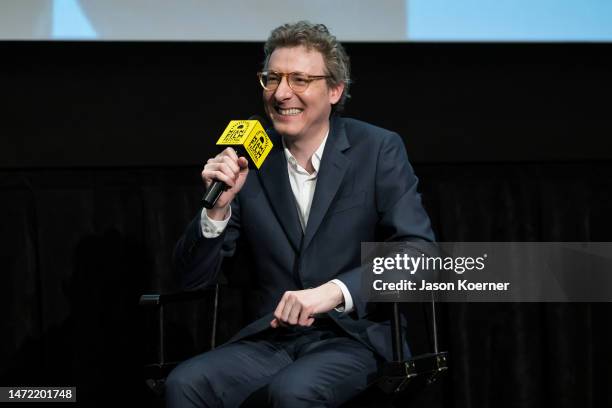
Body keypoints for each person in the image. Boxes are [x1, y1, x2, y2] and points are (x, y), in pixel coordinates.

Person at [166, 21, 435, 408]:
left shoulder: (376, 149)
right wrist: (217, 209)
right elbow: (190, 282)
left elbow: (419, 254)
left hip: (355, 337)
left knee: (293, 391)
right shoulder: (249, 160)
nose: (282, 92)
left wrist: (334, 293)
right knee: (185, 383)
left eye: (300, 79)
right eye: (272, 78)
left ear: (335, 90)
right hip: (271, 341)